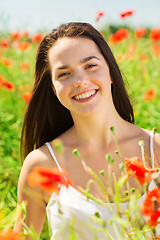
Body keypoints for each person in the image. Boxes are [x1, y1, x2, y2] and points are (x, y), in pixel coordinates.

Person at [14, 22, 160, 239]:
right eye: (64, 74)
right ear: (54, 90)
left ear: (110, 72)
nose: (80, 81)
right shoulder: (42, 164)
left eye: (90, 66)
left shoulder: (156, 148)